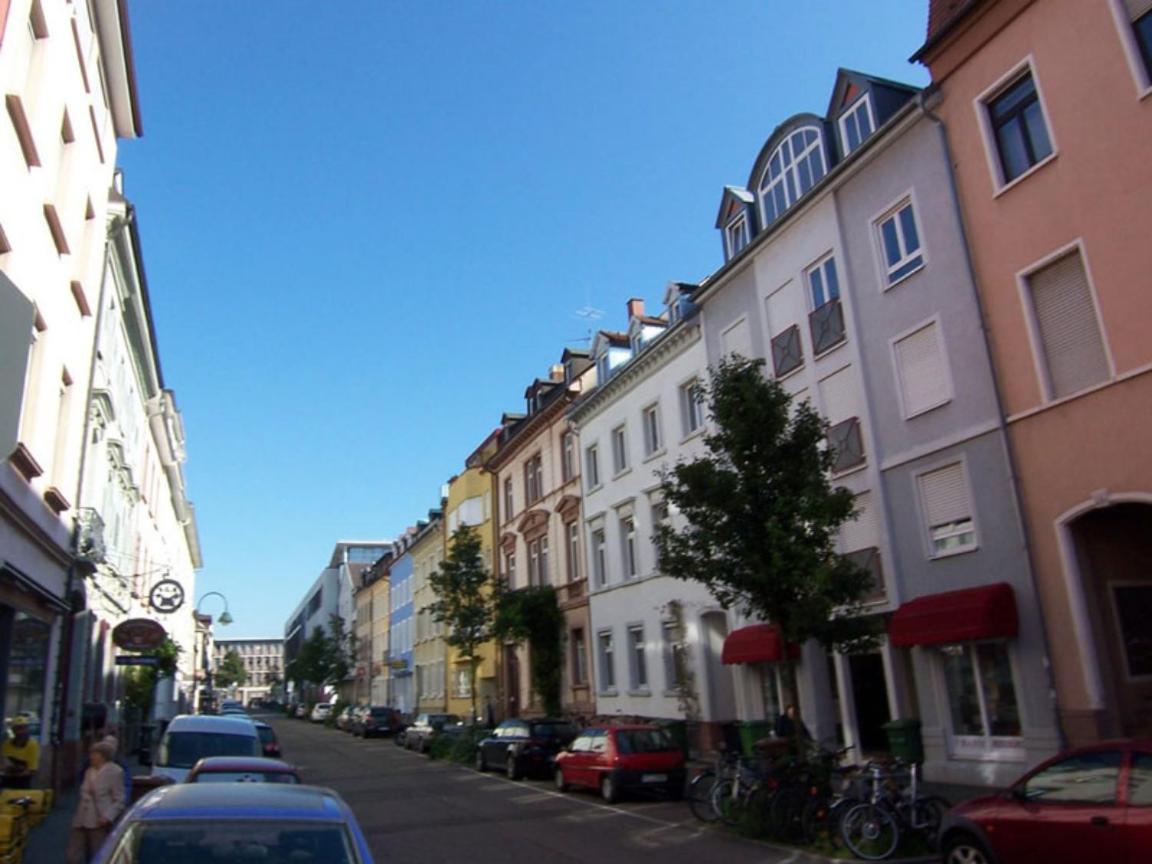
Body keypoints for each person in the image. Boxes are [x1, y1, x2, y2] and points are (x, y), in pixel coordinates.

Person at [67, 740, 125, 864]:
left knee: (97, 853)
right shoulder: (89, 771)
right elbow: (83, 790)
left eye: (94, 754)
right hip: (81, 817)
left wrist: (108, 816)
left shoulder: (115, 772)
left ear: (103, 756)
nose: (91, 757)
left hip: (99, 819)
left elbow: (119, 799)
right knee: (73, 855)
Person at [1, 716, 40, 788]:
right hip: (6, 780)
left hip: (23, 781)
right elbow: (3, 763)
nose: (21, 732)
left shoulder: (32, 745)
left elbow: (32, 769)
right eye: (18, 729)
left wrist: (17, 773)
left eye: (24, 728)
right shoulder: (7, 744)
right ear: (13, 731)